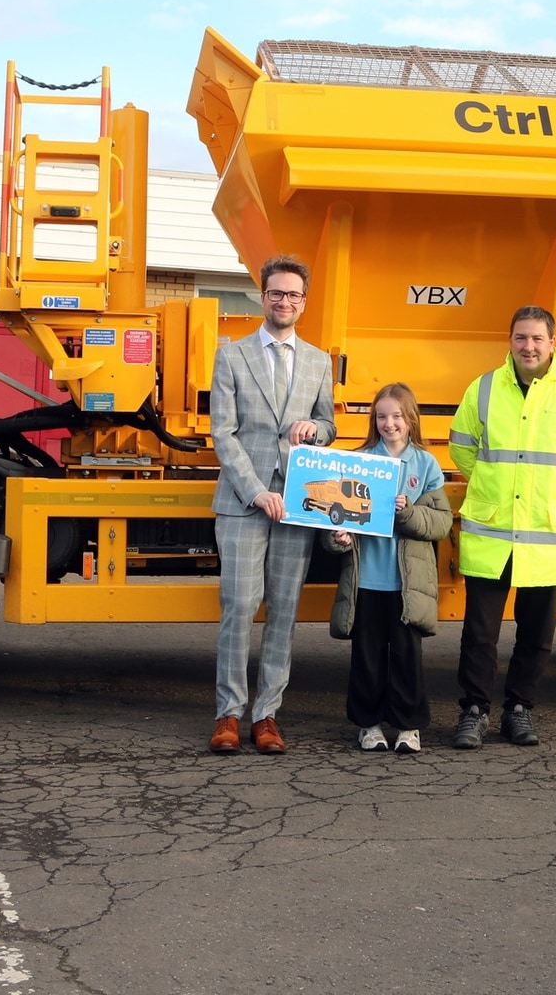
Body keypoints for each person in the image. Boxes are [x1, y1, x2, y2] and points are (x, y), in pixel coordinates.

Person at [447, 305, 556, 748]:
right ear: (510, 341)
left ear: (552, 343)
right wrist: (493, 487)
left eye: (537, 338)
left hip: (548, 533)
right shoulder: (484, 387)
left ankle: (519, 710)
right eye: (521, 337)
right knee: (479, 633)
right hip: (493, 532)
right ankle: (474, 711)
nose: (529, 346)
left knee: (537, 634)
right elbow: (461, 448)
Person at [208, 255, 336, 755]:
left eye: (294, 295)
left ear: (304, 303)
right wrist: (255, 490)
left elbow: (328, 425)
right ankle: (228, 712)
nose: (285, 301)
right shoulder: (231, 356)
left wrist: (315, 429)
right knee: (239, 607)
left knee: (283, 610)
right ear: (262, 297)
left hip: (299, 503)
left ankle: (266, 715)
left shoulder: (319, 361)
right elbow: (223, 433)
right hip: (245, 501)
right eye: (277, 293)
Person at [326, 383, 453, 754]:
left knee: (406, 657)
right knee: (366, 657)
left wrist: (408, 513)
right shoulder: (359, 461)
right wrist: (339, 538)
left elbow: (441, 523)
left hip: (406, 584)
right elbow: (332, 526)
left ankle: (408, 727)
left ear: (411, 418)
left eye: (397, 416)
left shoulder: (425, 465)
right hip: (366, 579)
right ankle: (368, 726)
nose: (389, 423)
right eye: (381, 416)